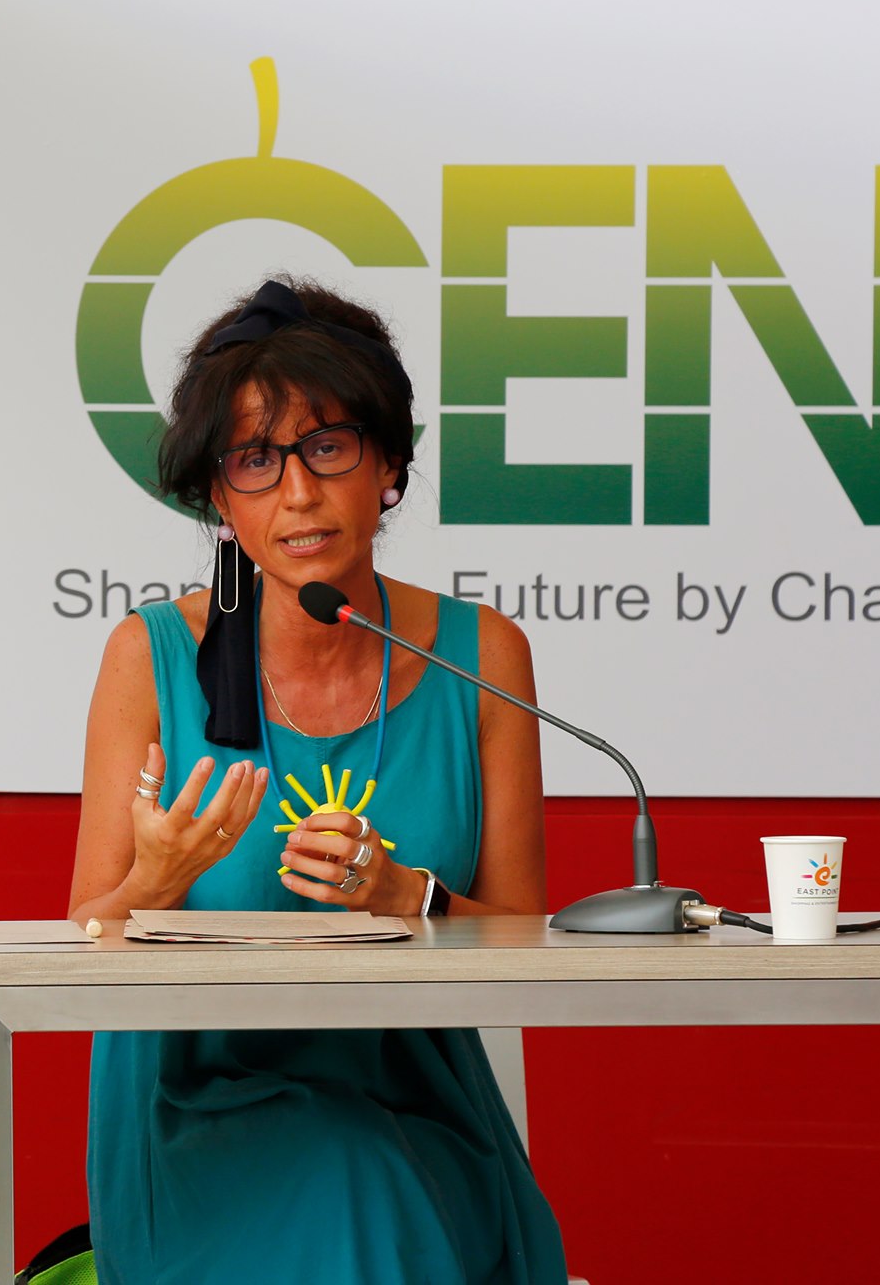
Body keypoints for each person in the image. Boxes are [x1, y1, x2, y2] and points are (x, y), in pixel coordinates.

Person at [68, 279, 567, 1283]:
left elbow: (524, 943)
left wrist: (409, 895)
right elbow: (82, 939)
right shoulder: (150, 655)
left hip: (415, 1110)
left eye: (327, 446)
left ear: (388, 464)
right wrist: (156, 879)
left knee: (375, 1184)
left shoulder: (483, 655)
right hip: (194, 1115)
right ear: (219, 497)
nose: (296, 492)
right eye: (255, 459)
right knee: (355, 1195)